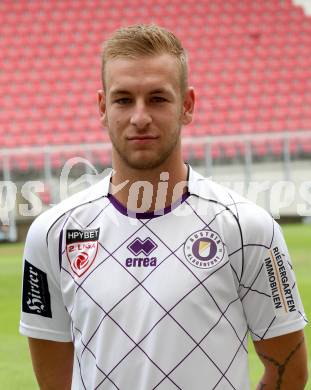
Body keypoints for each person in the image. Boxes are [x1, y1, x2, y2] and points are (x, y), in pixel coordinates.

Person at [20, 24, 308, 390]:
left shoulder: (248, 228)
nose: (140, 117)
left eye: (158, 98)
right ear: (102, 107)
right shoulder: (52, 233)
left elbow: (290, 373)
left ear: (187, 105)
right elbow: (55, 380)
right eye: (123, 100)